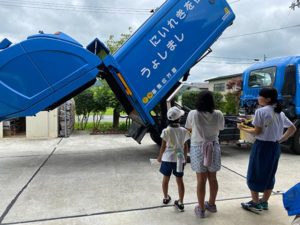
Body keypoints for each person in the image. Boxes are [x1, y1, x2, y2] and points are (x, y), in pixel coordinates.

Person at [238, 87, 296, 212]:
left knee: (254, 173)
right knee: (270, 173)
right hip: (275, 147)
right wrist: (281, 139)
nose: (258, 98)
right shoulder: (280, 112)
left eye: (260, 96)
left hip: (262, 146)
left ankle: (255, 202)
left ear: (268, 99)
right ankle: (264, 202)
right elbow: (292, 128)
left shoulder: (261, 111)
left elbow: (257, 131)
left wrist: (242, 128)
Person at [185, 91, 225, 218]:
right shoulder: (218, 113)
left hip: (198, 147)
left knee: (201, 179)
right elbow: (221, 128)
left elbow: (188, 127)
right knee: (213, 178)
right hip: (213, 147)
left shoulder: (193, 113)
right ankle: (212, 205)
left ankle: (201, 209)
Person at [157, 106, 190, 212]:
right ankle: (180, 202)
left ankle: (166, 198)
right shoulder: (184, 131)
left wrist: (159, 157)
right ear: (179, 119)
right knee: (179, 180)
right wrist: (185, 158)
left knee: (165, 179)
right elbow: (185, 147)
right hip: (179, 159)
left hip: (167, 158)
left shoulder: (166, 131)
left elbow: (163, 146)